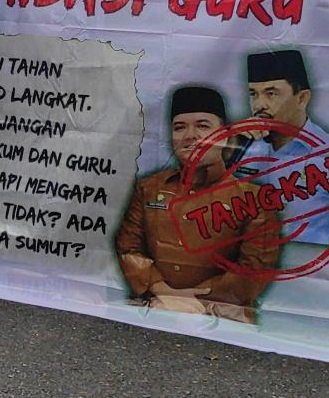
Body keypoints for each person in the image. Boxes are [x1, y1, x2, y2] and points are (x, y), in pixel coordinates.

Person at [115, 85, 282, 323]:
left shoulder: (254, 199)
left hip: (224, 319)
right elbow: (128, 248)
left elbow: (254, 268)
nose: (190, 135)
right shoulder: (149, 188)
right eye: (179, 127)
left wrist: (192, 301)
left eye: (203, 126)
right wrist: (162, 290)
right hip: (153, 308)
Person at [234, 49, 329, 250]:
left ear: (302, 98)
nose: (259, 105)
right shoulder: (243, 150)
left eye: (271, 94)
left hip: (312, 275)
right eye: (253, 94)